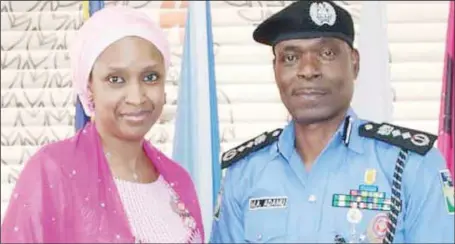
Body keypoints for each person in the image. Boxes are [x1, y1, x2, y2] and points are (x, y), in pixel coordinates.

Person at [210, 1, 455, 243]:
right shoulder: (244, 173)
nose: (308, 70)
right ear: (275, 69)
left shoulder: (413, 167)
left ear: (355, 63)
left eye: (326, 53)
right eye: (291, 57)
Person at [1, 6, 204, 243]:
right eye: (115, 79)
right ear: (89, 88)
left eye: (150, 77)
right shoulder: (53, 171)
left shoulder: (178, 181)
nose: (137, 97)